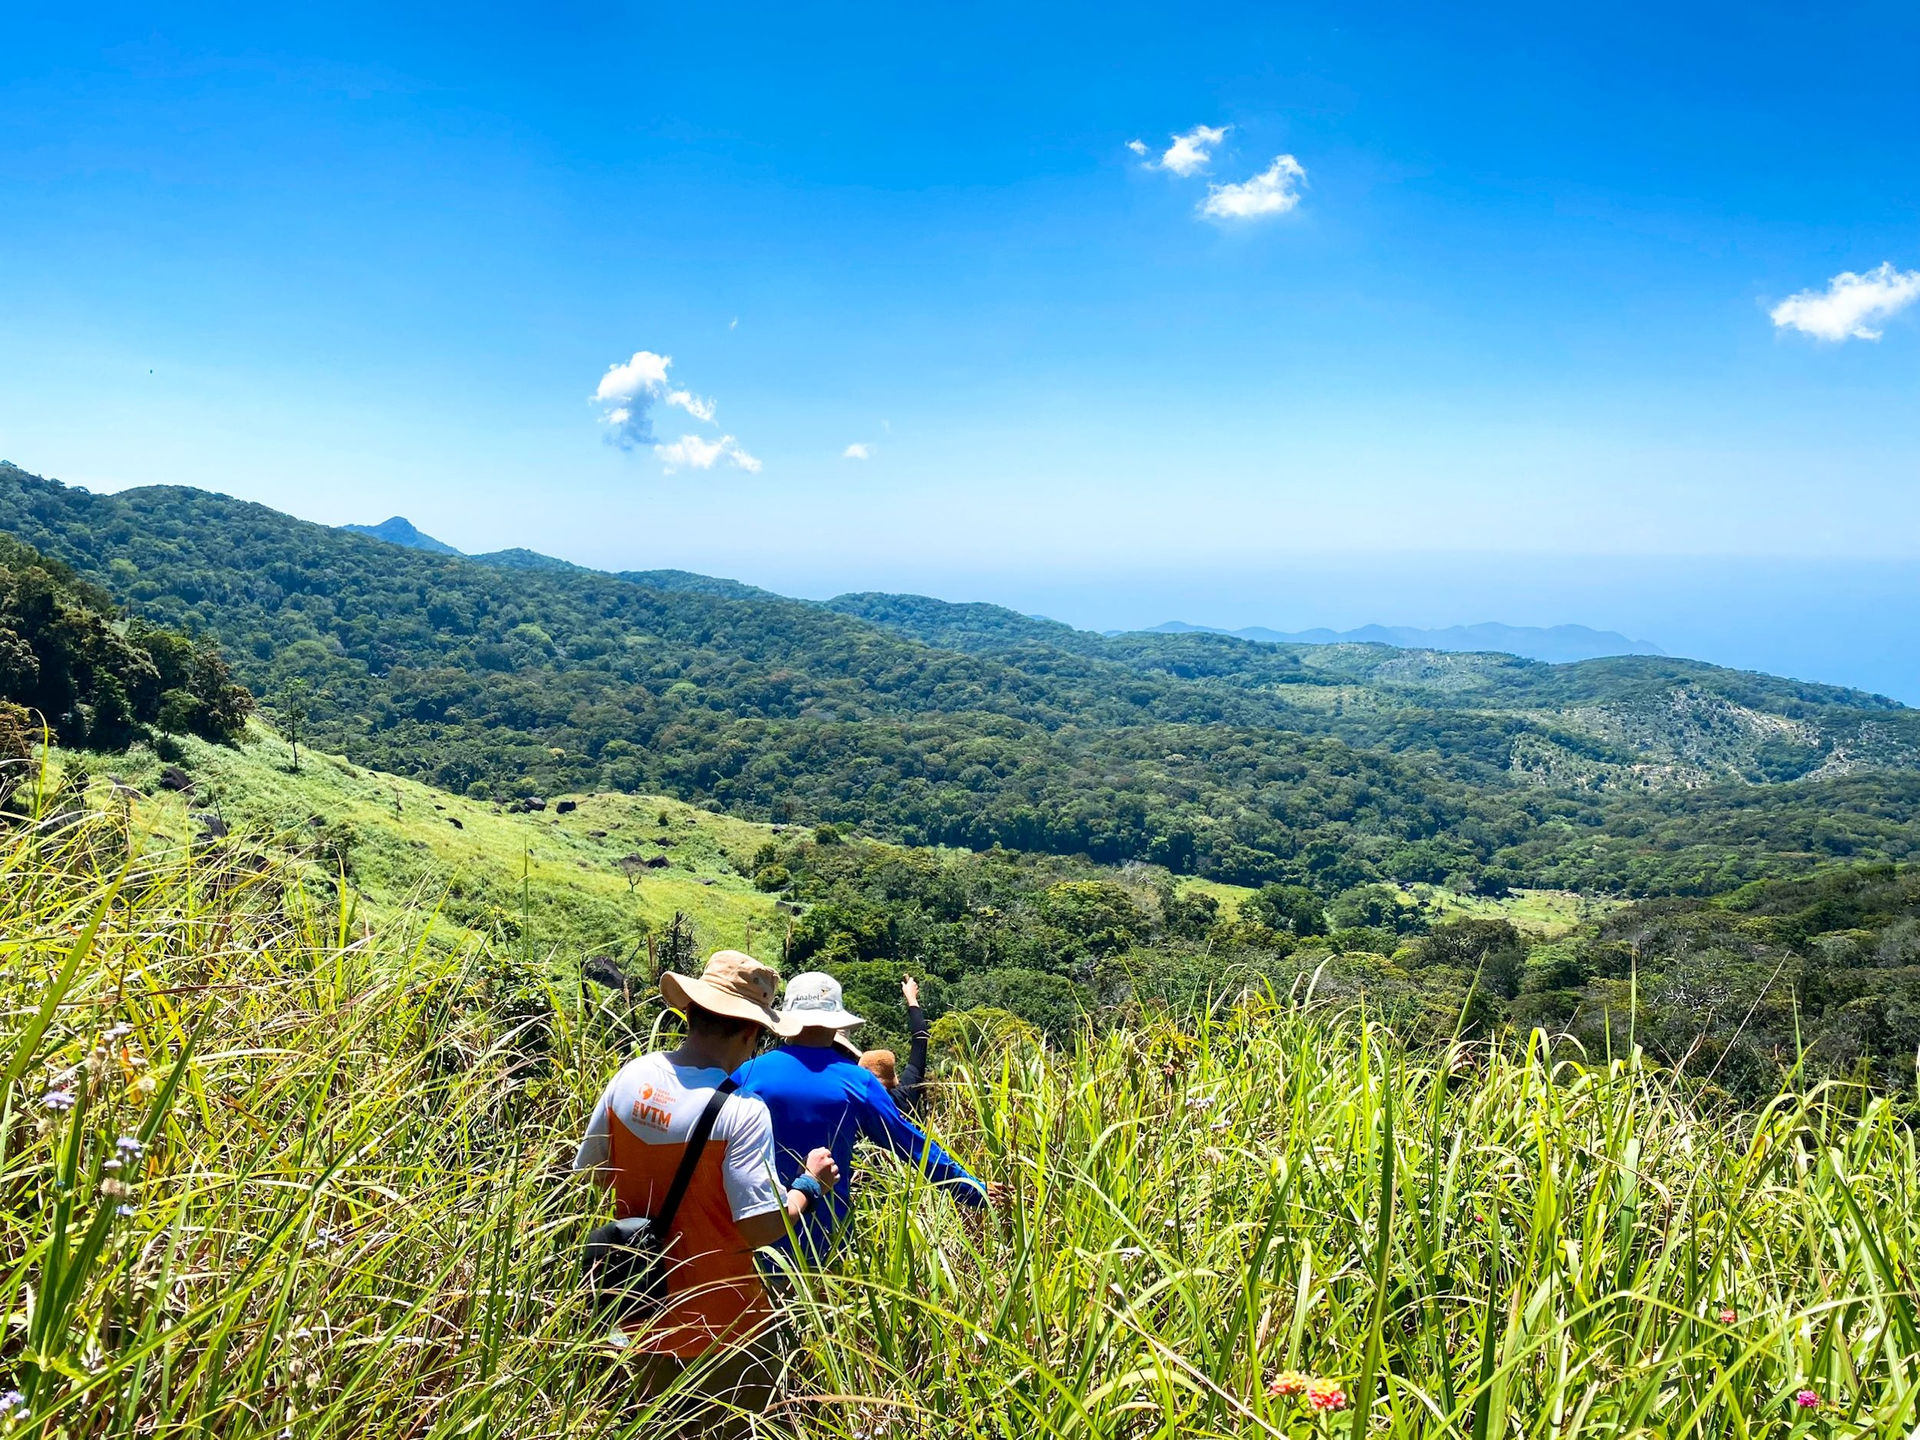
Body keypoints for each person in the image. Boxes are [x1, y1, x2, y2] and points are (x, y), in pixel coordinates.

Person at [573, 950, 837, 1435]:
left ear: (692, 1011)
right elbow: (759, 1225)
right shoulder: (740, 1110)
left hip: (637, 1306)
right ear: (750, 1031)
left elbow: (591, 1172)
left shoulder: (631, 1077)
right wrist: (807, 1187)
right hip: (721, 1321)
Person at [734, 971, 994, 1257]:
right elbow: (913, 1147)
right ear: (837, 1023)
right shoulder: (858, 1082)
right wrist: (975, 1191)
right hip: (826, 1242)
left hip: (751, 1239)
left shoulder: (747, 1074)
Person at [859, 973, 930, 1114]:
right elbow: (920, 1039)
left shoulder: (854, 1109)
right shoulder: (904, 1097)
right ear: (894, 1078)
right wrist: (911, 998)